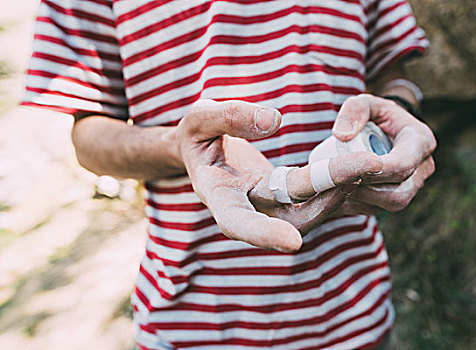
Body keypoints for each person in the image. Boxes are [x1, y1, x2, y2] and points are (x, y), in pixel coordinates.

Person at [22, 0, 436, 349]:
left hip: (355, 312)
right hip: (190, 322)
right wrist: (179, 146)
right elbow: (89, 137)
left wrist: (402, 114)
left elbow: (393, 78)